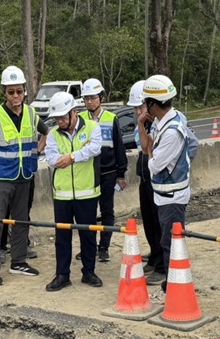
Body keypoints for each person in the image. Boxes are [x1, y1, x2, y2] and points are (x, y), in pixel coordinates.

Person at [0, 65, 49, 286]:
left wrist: (38, 151)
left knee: (21, 221)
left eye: (19, 91)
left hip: (24, 176)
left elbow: (47, 132)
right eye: (11, 92)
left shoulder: (31, 113)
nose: (16, 96)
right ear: (5, 92)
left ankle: (18, 261)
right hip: (1, 179)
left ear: (24, 92)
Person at [139, 74, 198, 291]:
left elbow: (152, 165)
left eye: (146, 103)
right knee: (168, 240)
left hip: (173, 196)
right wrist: (140, 125)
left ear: (153, 104)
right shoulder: (162, 123)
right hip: (164, 194)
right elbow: (148, 149)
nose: (144, 107)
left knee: (171, 242)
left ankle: (176, 284)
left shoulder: (172, 131)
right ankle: (173, 281)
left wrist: (153, 152)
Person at [44, 92, 103, 291]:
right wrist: (75, 155)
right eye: (56, 118)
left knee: (88, 235)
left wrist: (71, 157)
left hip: (87, 193)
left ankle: (89, 272)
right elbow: (52, 158)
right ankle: (62, 275)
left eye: (63, 117)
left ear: (74, 112)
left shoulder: (92, 127)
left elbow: (94, 149)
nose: (59, 121)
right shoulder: (53, 134)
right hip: (62, 194)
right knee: (62, 237)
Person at [79, 78, 128, 263]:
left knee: (107, 211)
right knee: (87, 213)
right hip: (87, 173)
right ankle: (89, 247)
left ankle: (104, 247)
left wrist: (121, 174)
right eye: (86, 98)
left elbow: (119, 148)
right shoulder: (80, 120)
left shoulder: (111, 118)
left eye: (93, 98)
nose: (89, 102)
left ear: (101, 97)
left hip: (108, 174)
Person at [128, 81, 165, 285]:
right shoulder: (142, 124)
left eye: (140, 107)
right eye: (135, 108)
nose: (138, 112)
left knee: (160, 223)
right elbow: (142, 147)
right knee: (149, 221)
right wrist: (141, 124)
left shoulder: (164, 123)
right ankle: (154, 255)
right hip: (145, 176)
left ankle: (162, 264)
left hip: (159, 179)